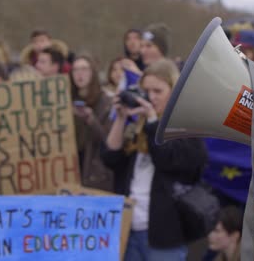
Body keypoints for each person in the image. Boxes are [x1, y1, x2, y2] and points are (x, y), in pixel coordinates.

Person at [101, 59, 207, 261]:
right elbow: (111, 159)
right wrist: (121, 118)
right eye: (146, 91)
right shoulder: (137, 126)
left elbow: (166, 159)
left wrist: (152, 121)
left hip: (164, 234)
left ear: (173, 92)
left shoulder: (186, 127)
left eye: (158, 91)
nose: (151, 98)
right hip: (129, 227)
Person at [70, 55, 114, 191]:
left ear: (93, 73)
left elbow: (110, 141)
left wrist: (91, 120)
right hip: (73, 168)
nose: (79, 74)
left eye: (84, 69)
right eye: (75, 70)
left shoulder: (106, 102)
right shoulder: (67, 100)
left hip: (96, 171)